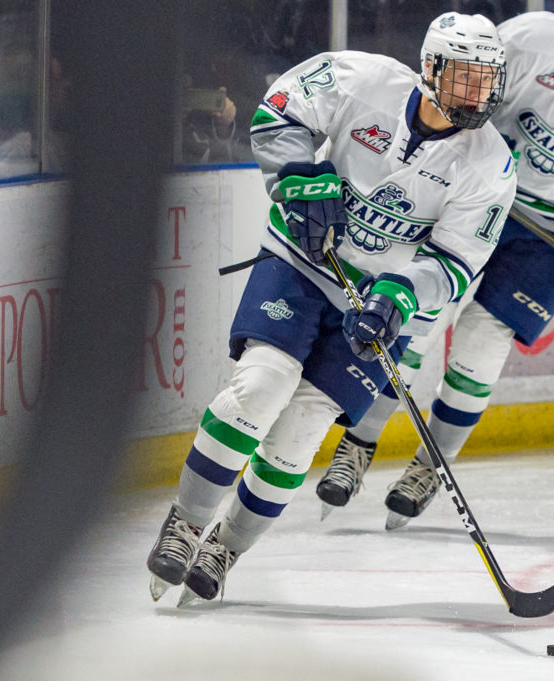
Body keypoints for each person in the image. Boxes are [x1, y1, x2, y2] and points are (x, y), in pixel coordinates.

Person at [145, 11, 515, 604]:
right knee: (262, 385)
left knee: (304, 427)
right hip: (298, 262)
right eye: (466, 77)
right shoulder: (363, 80)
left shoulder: (490, 164)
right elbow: (280, 111)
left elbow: (455, 259)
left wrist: (401, 294)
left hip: (377, 306)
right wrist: (298, 174)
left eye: (487, 80)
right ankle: (186, 522)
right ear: (431, 69)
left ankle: (226, 547)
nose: (479, 93)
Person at [314, 0, 554, 529]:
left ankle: (432, 465)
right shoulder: (532, 39)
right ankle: (360, 441)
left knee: (484, 344)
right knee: (412, 324)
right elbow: (455, 100)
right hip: (468, 199)